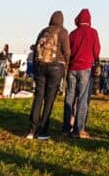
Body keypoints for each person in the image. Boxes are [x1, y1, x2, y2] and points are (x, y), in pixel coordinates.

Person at [26, 11, 71, 140]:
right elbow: (67, 52)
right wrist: (66, 67)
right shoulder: (63, 32)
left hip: (40, 67)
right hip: (56, 67)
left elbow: (35, 51)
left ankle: (31, 130)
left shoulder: (43, 31)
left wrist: (35, 69)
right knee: (49, 99)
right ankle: (43, 131)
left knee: (38, 97)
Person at [62, 9, 100, 138]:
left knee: (70, 97)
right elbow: (96, 51)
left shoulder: (72, 34)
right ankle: (79, 129)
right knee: (83, 99)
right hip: (85, 69)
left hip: (72, 69)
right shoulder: (93, 33)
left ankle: (66, 128)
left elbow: (68, 51)